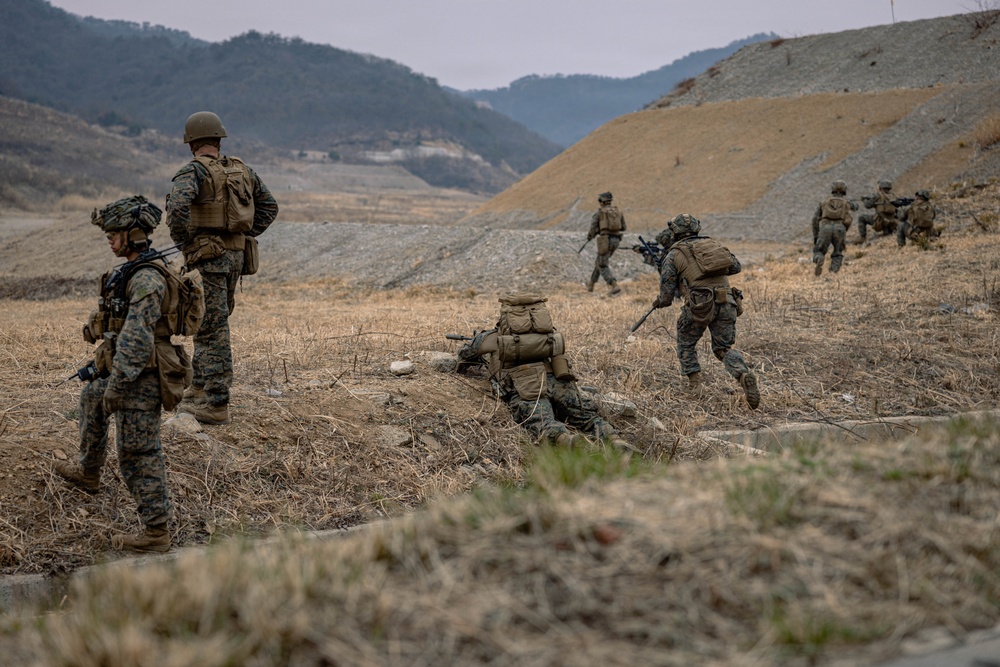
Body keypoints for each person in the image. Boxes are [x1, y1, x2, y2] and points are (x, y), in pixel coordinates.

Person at [53, 196, 183, 553]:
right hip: (131, 370)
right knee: (92, 395)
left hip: (143, 375)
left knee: (138, 452)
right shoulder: (131, 272)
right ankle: (89, 471)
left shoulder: (145, 278)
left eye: (114, 234)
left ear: (132, 234)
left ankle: (156, 532)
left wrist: (119, 385)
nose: (109, 240)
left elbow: (138, 339)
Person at [167, 111, 278, 425]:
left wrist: (184, 242)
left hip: (207, 259)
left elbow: (177, 208)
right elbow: (270, 206)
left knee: (212, 328)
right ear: (218, 140)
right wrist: (242, 235)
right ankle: (199, 387)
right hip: (235, 258)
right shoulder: (241, 169)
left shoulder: (193, 172)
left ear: (191, 144)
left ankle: (217, 402)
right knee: (209, 321)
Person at [457, 293, 636, 452]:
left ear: (505, 316)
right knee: (587, 417)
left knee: (542, 422)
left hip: (528, 387)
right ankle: (615, 440)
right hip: (559, 382)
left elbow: (464, 355)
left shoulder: (491, 337)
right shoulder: (547, 334)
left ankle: (567, 441)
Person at [651, 214, 760, 409]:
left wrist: (660, 302)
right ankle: (743, 375)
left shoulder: (673, 254)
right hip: (727, 301)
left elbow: (666, 296)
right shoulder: (712, 245)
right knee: (723, 348)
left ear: (674, 231)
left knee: (686, 341)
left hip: (700, 305)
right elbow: (735, 267)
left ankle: (695, 386)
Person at [812, 180, 858, 276]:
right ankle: (833, 273)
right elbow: (856, 207)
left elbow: (815, 219)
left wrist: (816, 236)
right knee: (838, 252)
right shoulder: (847, 203)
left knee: (818, 251)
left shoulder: (824, 202)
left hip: (825, 228)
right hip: (840, 228)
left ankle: (819, 259)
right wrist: (852, 203)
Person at [585, 191, 626, 294]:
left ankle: (614, 285)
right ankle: (591, 285)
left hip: (605, 241)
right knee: (599, 261)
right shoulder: (618, 212)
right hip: (616, 240)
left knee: (602, 264)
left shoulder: (599, 213)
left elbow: (593, 227)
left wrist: (590, 236)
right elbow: (624, 227)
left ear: (602, 202)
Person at [856, 180, 899, 244]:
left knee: (861, 217)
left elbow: (868, 205)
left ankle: (862, 238)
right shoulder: (894, 196)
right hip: (892, 222)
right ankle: (888, 231)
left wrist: (864, 200)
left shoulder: (877, 195)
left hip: (880, 221)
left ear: (880, 188)